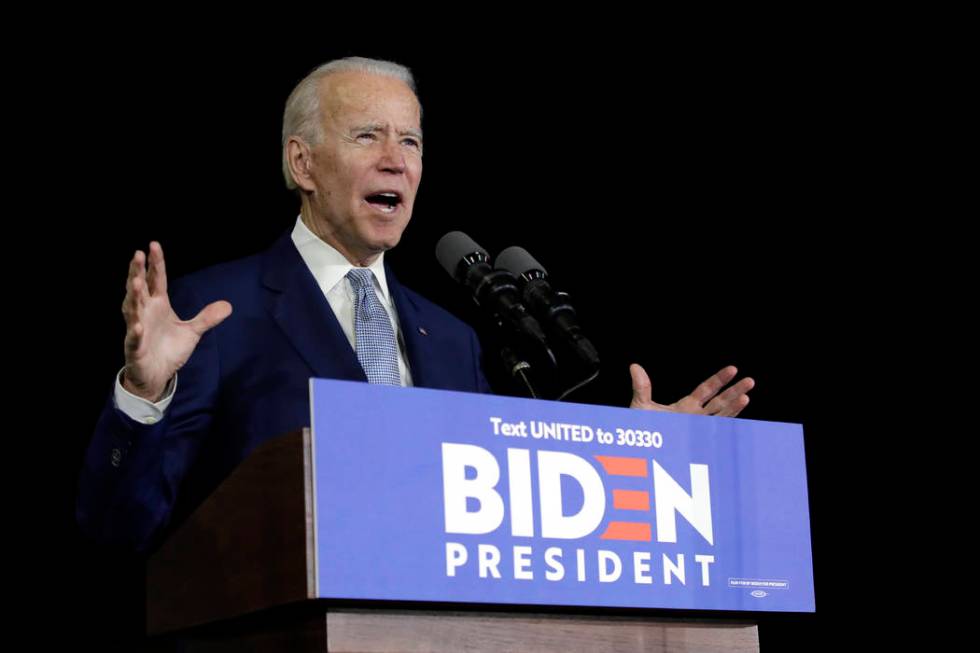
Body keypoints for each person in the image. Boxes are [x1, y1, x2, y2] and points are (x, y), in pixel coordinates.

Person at [77, 57, 754, 552]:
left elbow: (514, 502)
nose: (396, 160)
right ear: (303, 163)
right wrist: (142, 392)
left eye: (411, 141)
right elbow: (118, 531)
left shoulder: (454, 337)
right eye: (368, 135)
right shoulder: (216, 311)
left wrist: (636, 457)